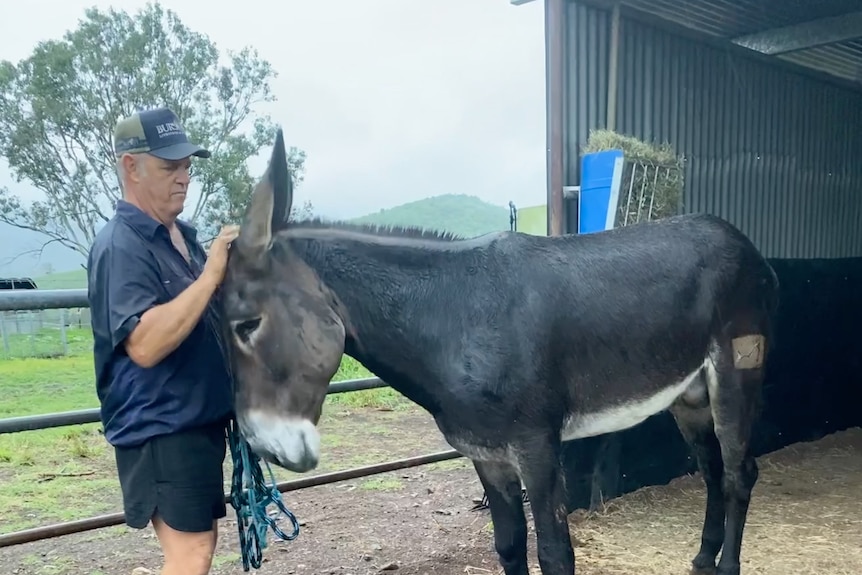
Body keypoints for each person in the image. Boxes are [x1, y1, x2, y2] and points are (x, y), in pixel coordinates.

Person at [87, 107, 240, 575]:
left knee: (199, 546)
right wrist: (212, 273)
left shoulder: (181, 238)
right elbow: (146, 344)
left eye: (187, 167)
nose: (184, 178)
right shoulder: (122, 246)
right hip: (159, 425)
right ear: (130, 167)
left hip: (193, 422)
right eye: (170, 167)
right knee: (191, 554)